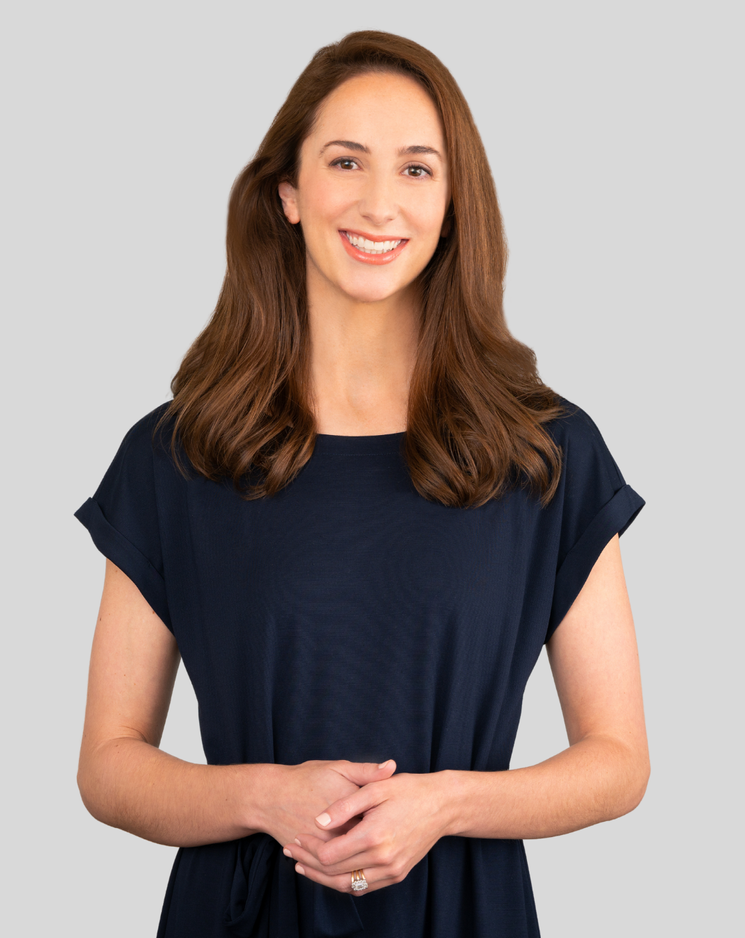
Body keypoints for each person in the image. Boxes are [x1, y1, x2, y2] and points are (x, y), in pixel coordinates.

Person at [75, 29, 649, 938]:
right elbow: (108, 767)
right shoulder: (178, 456)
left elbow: (618, 762)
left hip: (467, 916)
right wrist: (267, 799)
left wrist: (444, 805)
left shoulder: (547, 453)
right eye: (347, 161)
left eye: (418, 170)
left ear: (455, 202)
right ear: (289, 194)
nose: (380, 202)